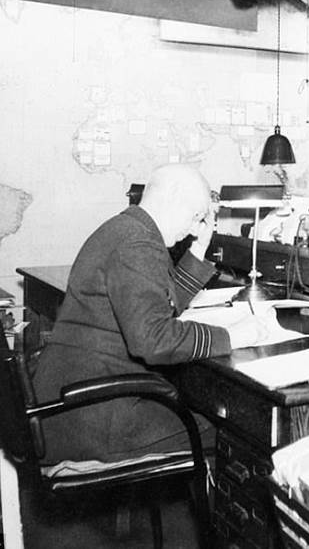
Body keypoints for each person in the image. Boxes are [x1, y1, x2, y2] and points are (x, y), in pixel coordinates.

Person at [32, 164, 267, 463]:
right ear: (172, 197)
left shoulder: (126, 229)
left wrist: (199, 250)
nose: (196, 228)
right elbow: (153, 340)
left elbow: (158, 306)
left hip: (72, 401)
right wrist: (234, 336)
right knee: (226, 433)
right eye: (196, 217)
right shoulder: (139, 243)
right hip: (91, 416)